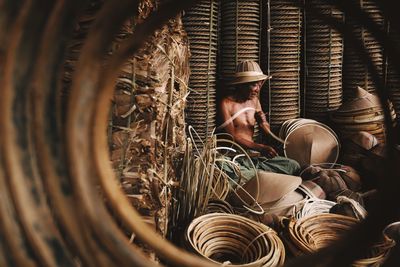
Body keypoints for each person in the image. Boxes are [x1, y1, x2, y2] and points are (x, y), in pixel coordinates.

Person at [218, 60, 300, 182]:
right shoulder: (226, 104)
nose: (257, 89)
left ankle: (261, 176)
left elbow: (266, 129)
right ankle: (259, 177)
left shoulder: (254, 101)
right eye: (253, 85)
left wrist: (263, 123)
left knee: (293, 165)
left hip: (253, 155)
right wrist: (260, 148)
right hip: (234, 157)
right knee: (246, 176)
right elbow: (231, 137)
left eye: (259, 84)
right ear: (241, 84)